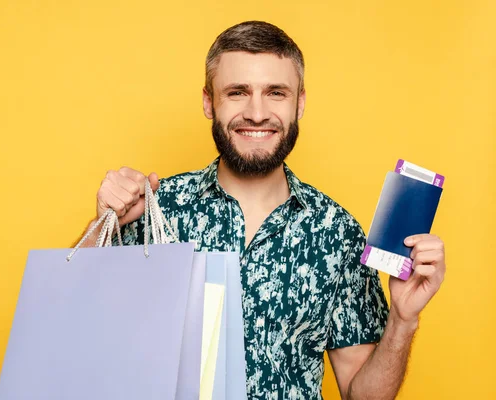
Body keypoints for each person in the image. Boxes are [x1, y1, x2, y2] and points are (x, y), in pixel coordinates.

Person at [77, 21, 446, 400]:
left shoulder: (336, 233)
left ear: (299, 103)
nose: (257, 113)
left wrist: (403, 320)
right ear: (208, 101)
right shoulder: (153, 209)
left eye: (276, 93)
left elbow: (362, 396)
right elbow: (68, 320)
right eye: (237, 92)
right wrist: (101, 225)